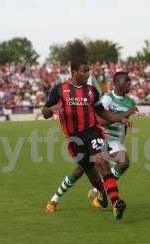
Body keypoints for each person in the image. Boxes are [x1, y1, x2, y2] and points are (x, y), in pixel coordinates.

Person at [42, 59, 131, 220]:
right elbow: (45, 112)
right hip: (74, 140)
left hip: (93, 132)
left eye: (88, 70)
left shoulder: (92, 91)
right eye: (84, 70)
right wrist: (50, 110)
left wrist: (119, 118)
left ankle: (116, 203)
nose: (87, 73)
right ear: (74, 72)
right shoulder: (59, 90)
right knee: (95, 179)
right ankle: (103, 193)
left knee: (102, 162)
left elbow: (101, 112)